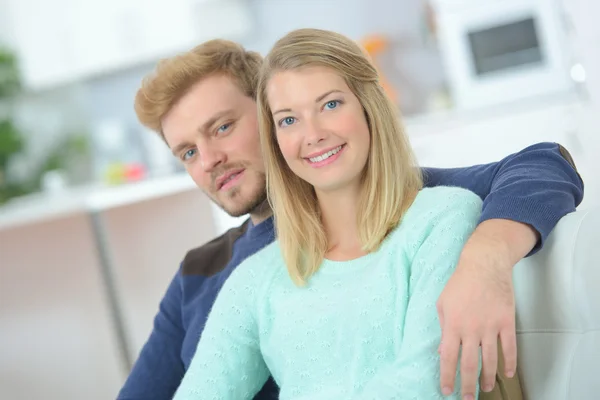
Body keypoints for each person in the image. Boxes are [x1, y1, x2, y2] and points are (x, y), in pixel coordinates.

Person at [117, 35, 584, 400]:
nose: (210, 159)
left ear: (263, 115)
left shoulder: (418, 204)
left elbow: (543, 164)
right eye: (188, 152)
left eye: (222, 127)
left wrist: (487, 256)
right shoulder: (203, 273)